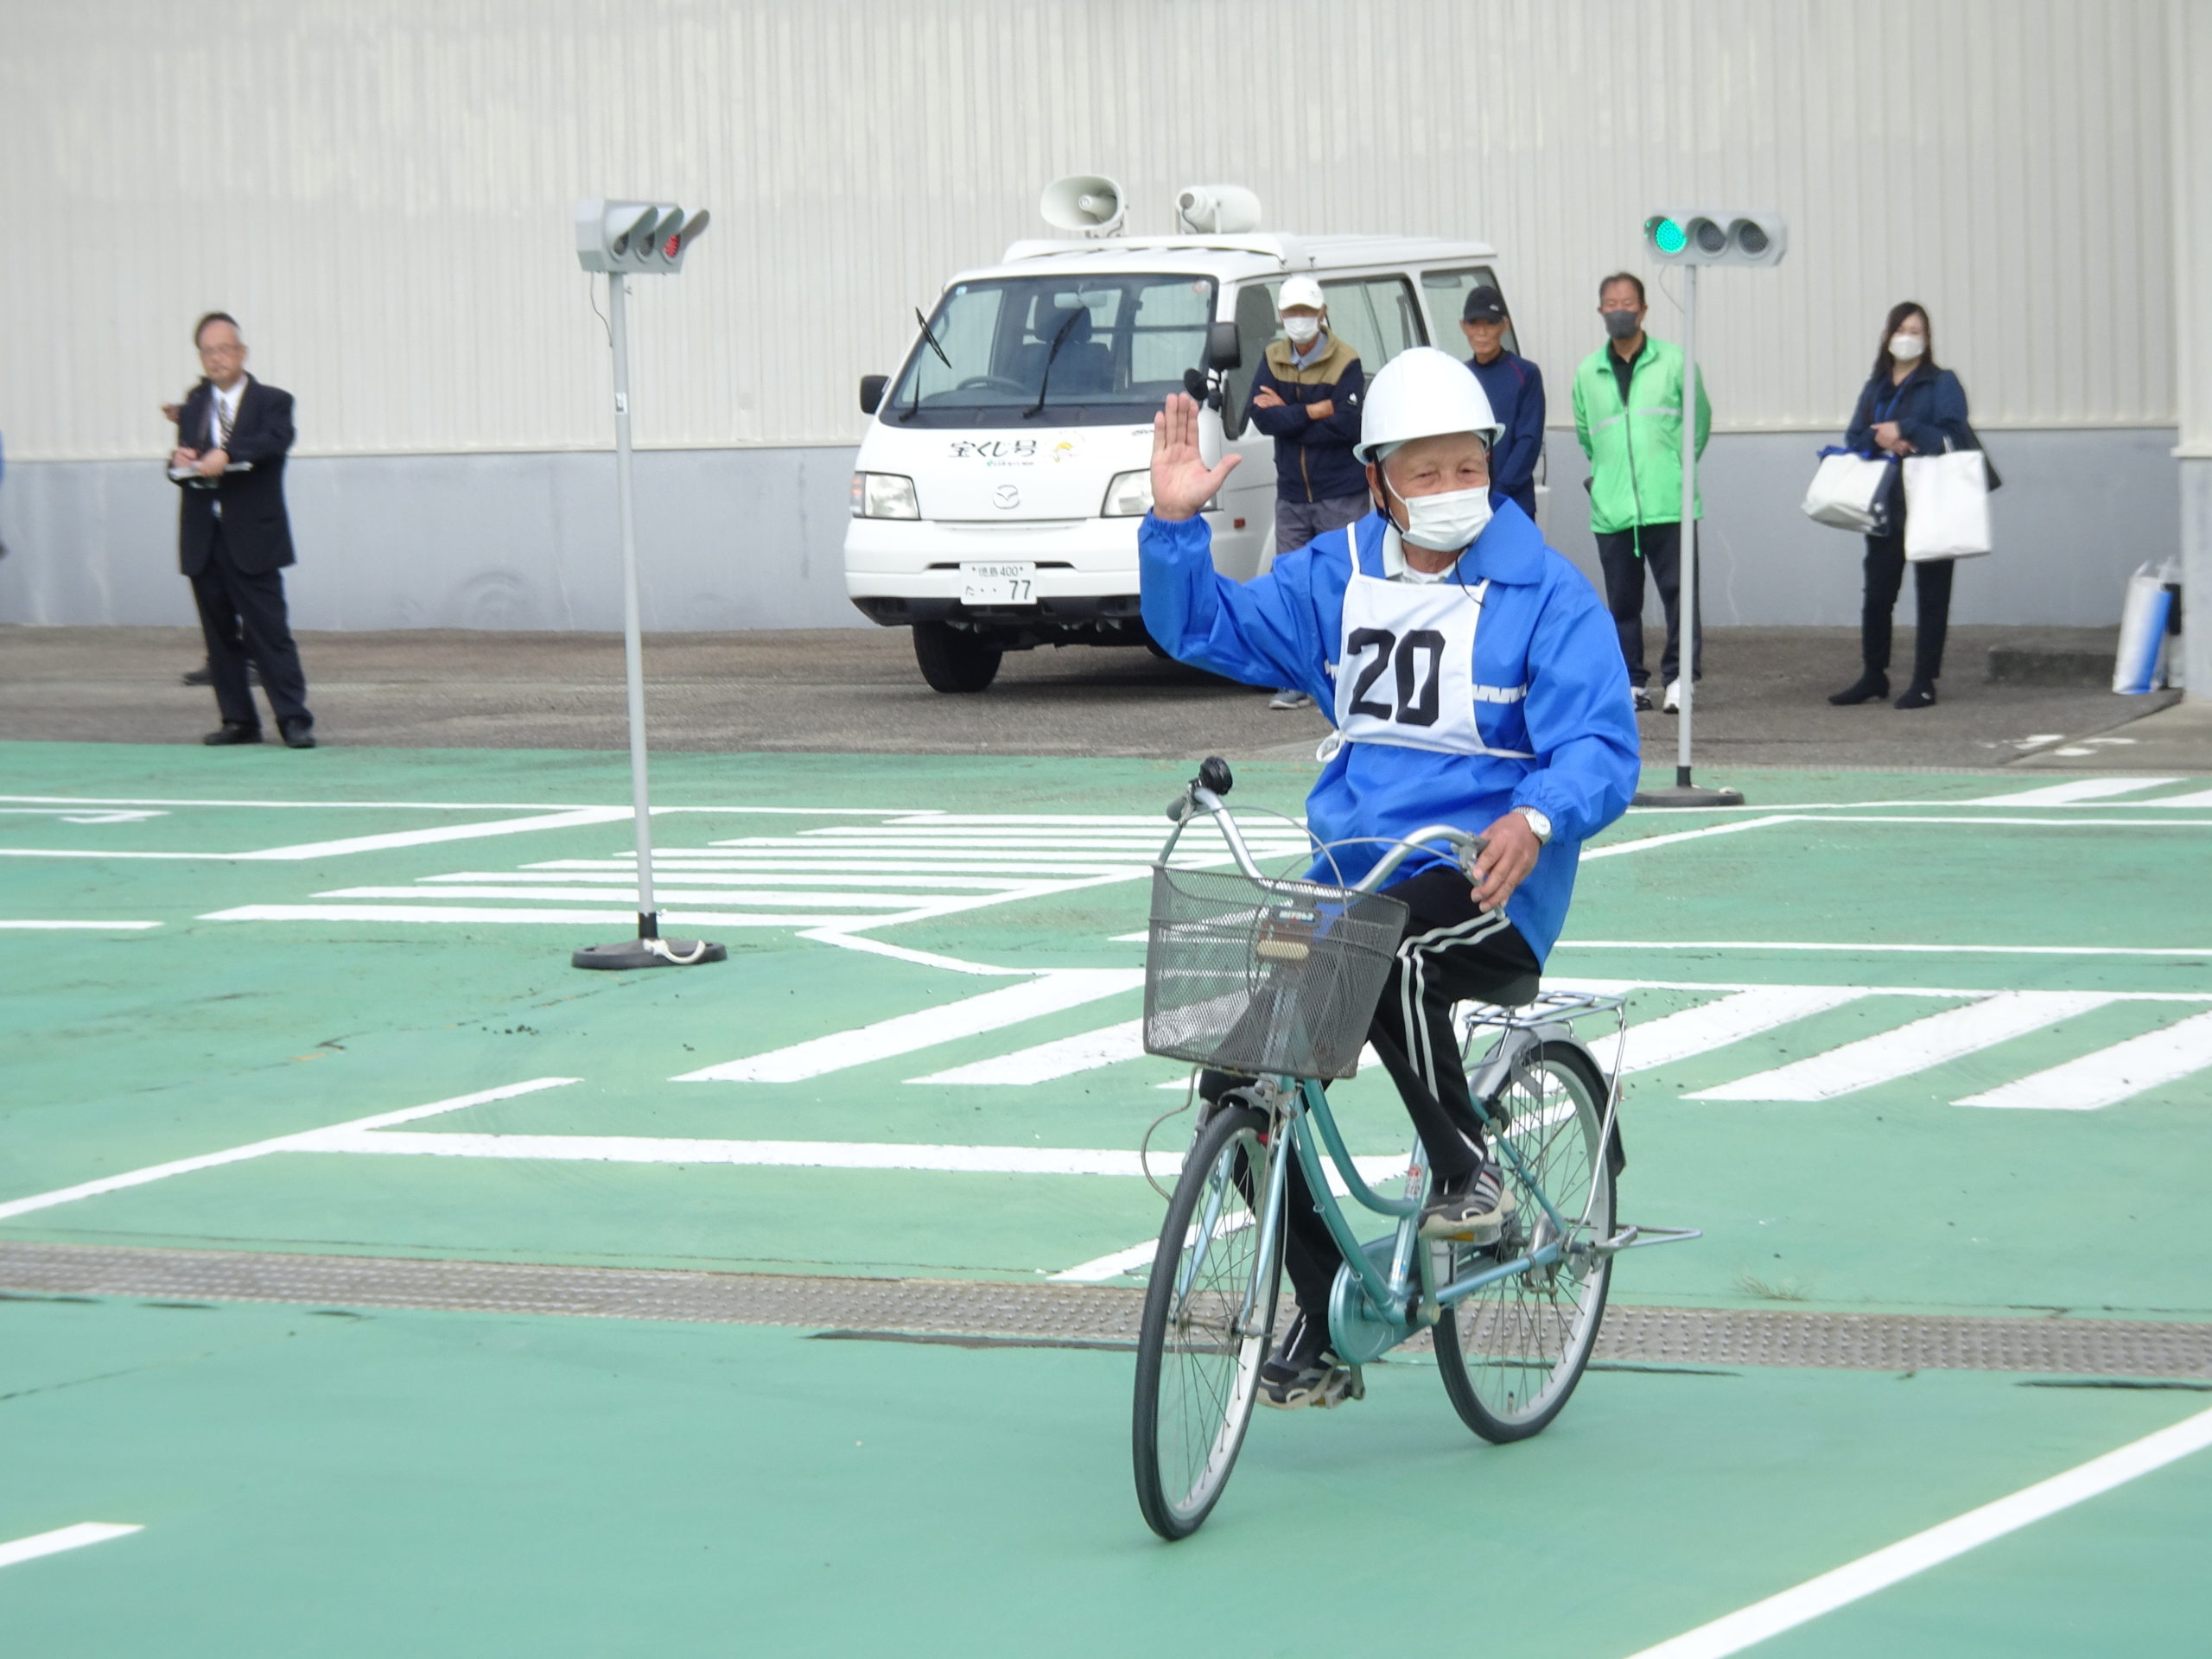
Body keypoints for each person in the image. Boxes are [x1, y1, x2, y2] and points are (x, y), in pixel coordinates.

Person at [1141, 348, 1639, 1408]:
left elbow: (1600, 744)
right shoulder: (1337, 577)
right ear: (1377, 481)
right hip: (1353, 877)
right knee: (1239, 1080)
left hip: (1485, 884)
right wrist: (1176, 527)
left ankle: (1467, 1169)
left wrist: (1537, 815)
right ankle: (1323, 1311)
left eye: (1470, 467)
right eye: (1426, 472)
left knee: (1393, 948)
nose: (1454, 489)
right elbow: (1202, 627)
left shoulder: (1545, 594)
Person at [168, 312, 315, 747]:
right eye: (208, 351)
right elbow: (185, 459)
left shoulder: (272, 401)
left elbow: (275, 440)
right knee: (219, 636)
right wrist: (178, 462)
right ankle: (238, 720)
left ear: (242, 353)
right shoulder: (195, 405)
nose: (217, 358)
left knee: (269, 632)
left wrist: (227, 453)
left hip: (253, 536)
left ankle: (293, 718)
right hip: (204, 535)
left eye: (225, 349)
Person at [1572, 273, 1710, 715]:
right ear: (1601, 311)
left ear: (1644, 309)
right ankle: (1631, 681)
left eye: (1628, 303)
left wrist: (1673, 470)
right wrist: (1608, 478)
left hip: (1668, 503)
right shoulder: (1587, 373)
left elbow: (1697, 426)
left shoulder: (1675, 362)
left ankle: (1680, 679)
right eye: (1611, 304)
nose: (1620, 311)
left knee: (1680, 596)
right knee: (1622, 603)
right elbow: (1587, 437)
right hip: (1612, 508)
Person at [1828, 302, 1976, 710]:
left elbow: (1955, 436)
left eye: (1916, 331)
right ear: (1886, 336)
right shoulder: (1876, 386)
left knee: (1932, 595)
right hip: (1885, 505)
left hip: (1931, 501)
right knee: (1878, 593)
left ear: (1927, 340)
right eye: (1901, 330)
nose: (1907, 338)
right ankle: (1873, 674)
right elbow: (1855, 436)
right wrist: (1881, 438)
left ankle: (1924, 682)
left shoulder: (1941, 383)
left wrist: (1905, 429)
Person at [1243, 275, 1364, 710]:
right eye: (1292, 311)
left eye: (1307, 312)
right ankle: (1298, 678)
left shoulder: (1346, 360)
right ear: (1281, 315)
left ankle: (1348, 675)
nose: (1299, 319)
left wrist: (1290, 417)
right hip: (1292, 494)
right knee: (1291, 586)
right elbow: (1262, 418)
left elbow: (1348, 425)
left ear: (1322, 313)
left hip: (1340, 493)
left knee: (1341, 586)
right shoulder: (1272, 358)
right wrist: (1315, 410)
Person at [1459, 285, 1544, 520]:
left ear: (1505, 326)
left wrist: (1498, 493)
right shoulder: (1460, 376)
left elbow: (1529, 440)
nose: (1482, 333)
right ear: (1463, 327)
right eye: (1474, 324)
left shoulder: (1526, 374)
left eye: (1490, 323)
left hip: (1514, 503)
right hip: (1469, 504)